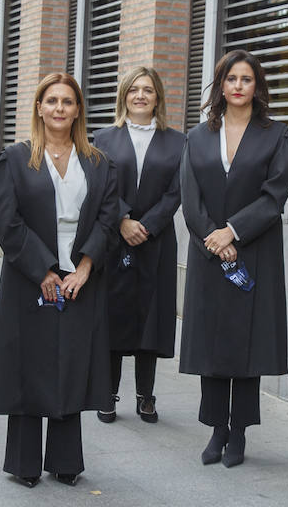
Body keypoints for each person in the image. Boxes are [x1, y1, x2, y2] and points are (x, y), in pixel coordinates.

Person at [0, 73, 119, 488]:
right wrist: (42, 269)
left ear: (78, 109)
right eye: (52, 100)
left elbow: (109, 218)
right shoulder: (14, 159)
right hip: (28, 275)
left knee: (72, 364)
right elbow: (7, 223)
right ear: (39, 107)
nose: (59, 108)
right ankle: (24, 463)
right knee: (29, 364)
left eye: (67, 101)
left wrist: (85, 267)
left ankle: (65, 461)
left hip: (80, 277)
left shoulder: (97, 162)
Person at [179, 49, 288, 468]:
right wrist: (213, 237)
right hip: (209, 253)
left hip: (255, 252)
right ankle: (215, 430)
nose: (238, 86)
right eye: (231, 79)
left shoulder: (278, 135)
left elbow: (275, 195)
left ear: (257, 86)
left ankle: (240, 433)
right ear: (221, 84)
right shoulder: (198, 136)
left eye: (246, 79)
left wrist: (234, 231)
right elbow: (189, 196)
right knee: (212, 345)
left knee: (247, 347)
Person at [91, 67, 186, 424]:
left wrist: (146, 225)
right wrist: (123, 220)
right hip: (114, 240)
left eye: (148, 90)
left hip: (156, 241)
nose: (141, 96)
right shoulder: (103, 138)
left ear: (158, 97)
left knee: (151, 319)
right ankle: (108, 393)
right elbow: (98, 186)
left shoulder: (178, 142)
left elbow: (178, 191)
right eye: (134, 90)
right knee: (113, 317)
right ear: (124, 96)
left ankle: (146, 395)